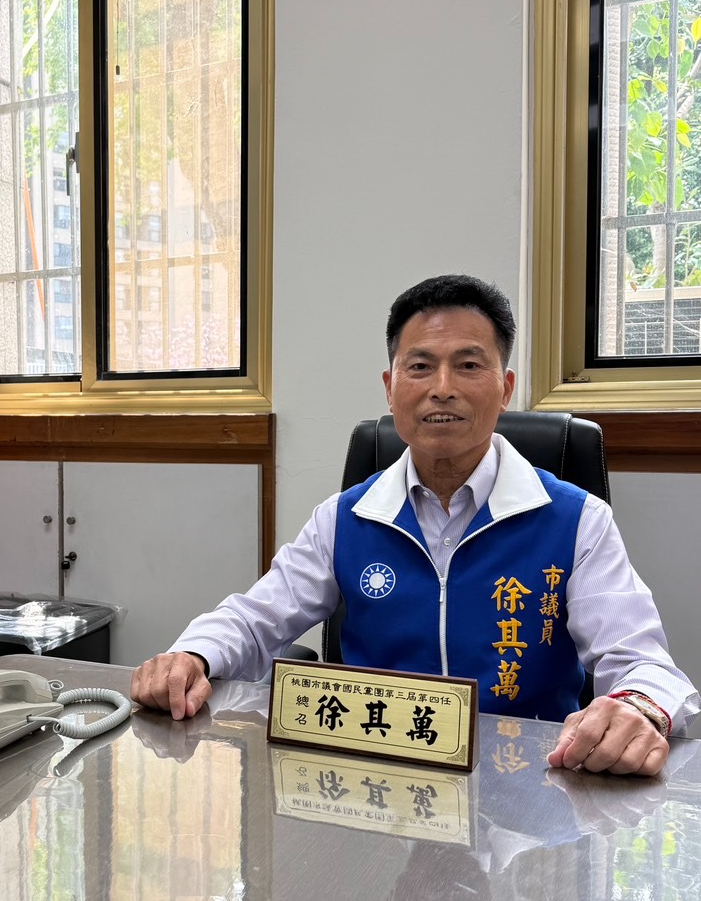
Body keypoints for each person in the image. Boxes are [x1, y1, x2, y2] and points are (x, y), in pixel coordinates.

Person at [131, 274, 699, 777]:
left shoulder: (576, 520)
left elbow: (641, 662)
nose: (441, 387)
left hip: (529, 792)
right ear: (390, 385)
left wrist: (637, 708)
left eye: (469, 365)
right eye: (420, 366)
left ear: (505, 388)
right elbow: (255, 620)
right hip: (374, 783)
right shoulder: (346, 517)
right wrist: (192, 656)